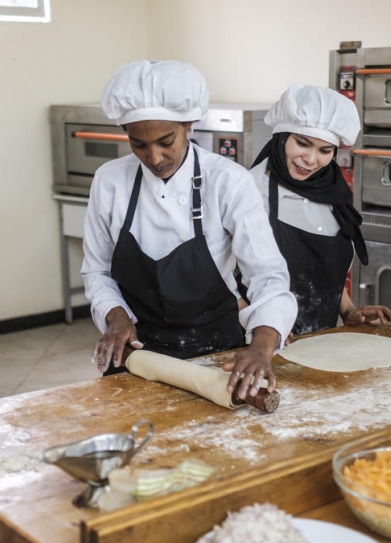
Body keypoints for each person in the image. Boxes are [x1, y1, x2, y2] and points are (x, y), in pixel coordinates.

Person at [82, 60, 298, 400]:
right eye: (139, 145)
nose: (154, 158)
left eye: (166, 141)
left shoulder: (227, 181)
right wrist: (116, 317)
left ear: (189, 124)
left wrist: (261, 346)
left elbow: (269, 278)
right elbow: (97, 270)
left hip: (217, 355)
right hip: (137, 355)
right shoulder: (110, 182)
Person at [250, 84, 391, 338]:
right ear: (281, 137)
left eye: (325, 150)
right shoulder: (248, 191)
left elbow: (321, 275)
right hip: (257, 346)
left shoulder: (334, 194)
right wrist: (265, 329)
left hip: (319, 345)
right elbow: (223, 280)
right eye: (303, 144)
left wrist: (349, 311)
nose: (311, 159)